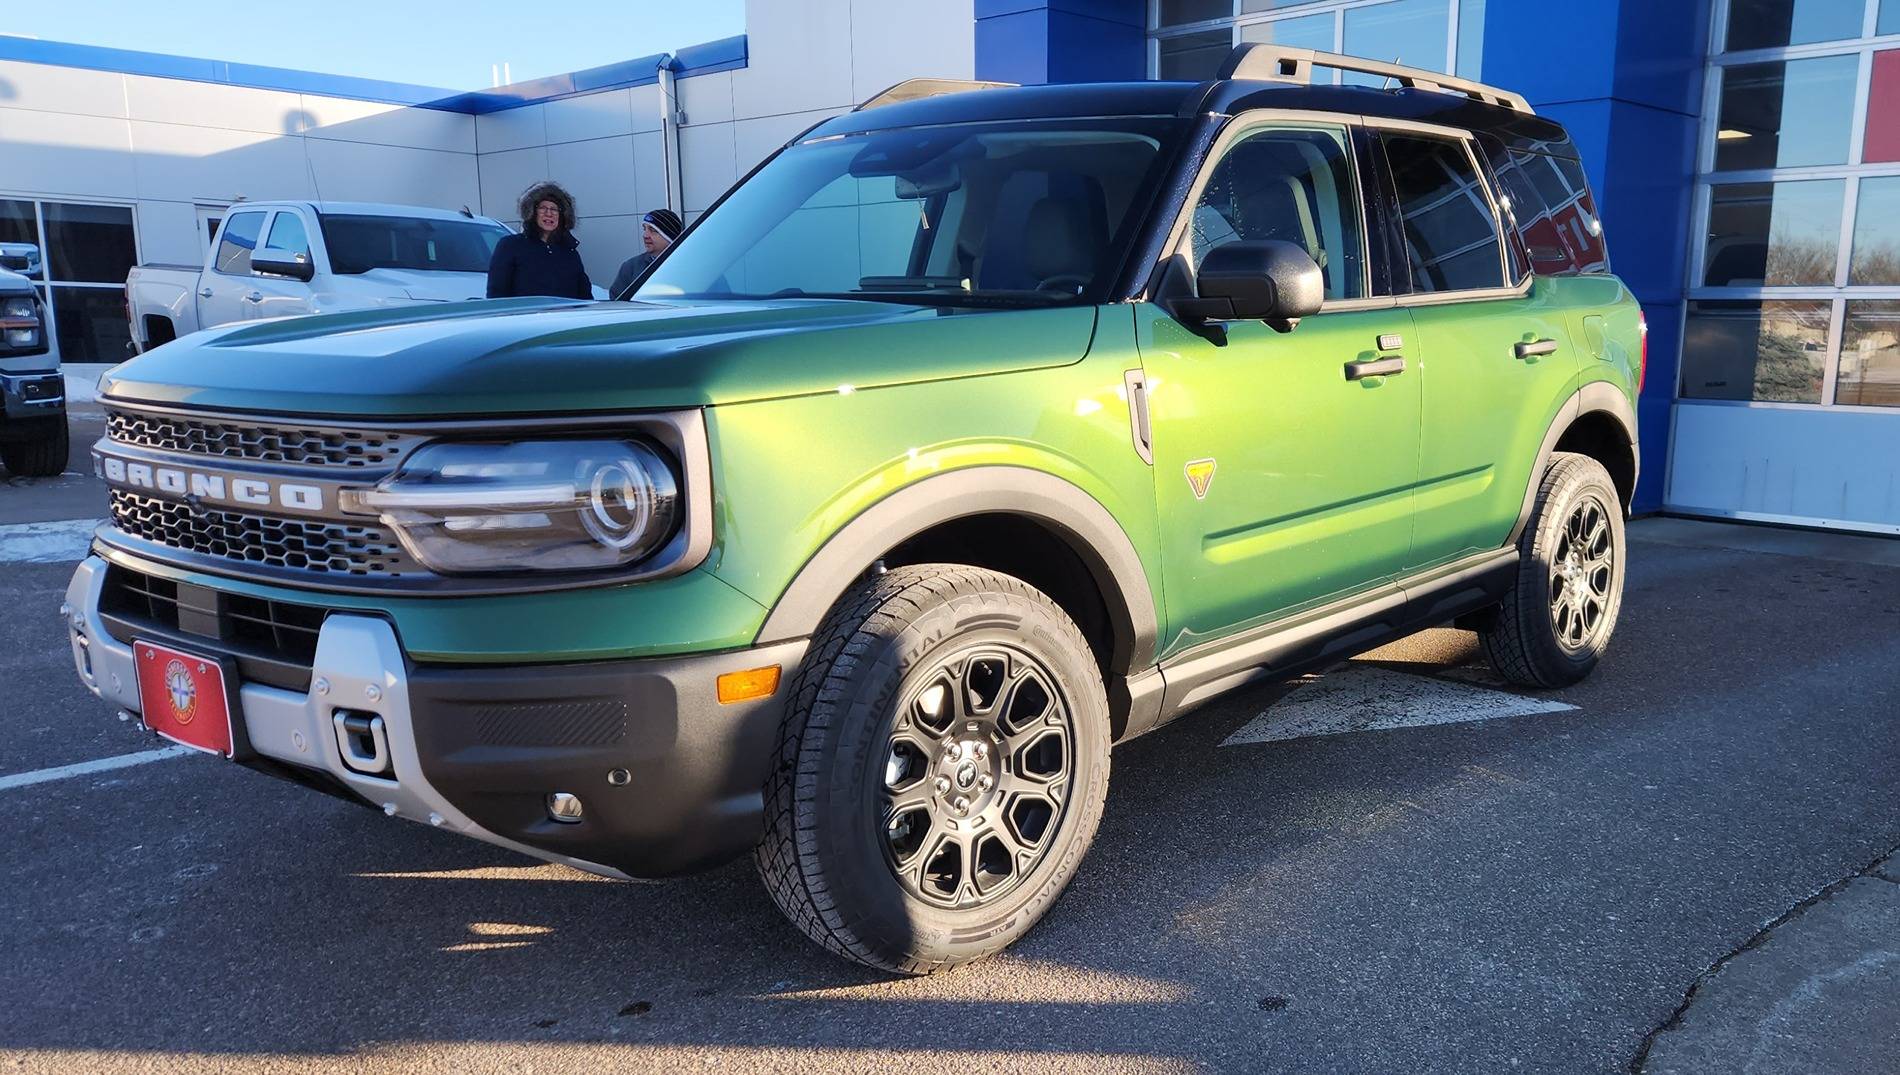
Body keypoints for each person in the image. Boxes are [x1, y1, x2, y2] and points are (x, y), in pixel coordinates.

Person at [486, 182, 593, 299]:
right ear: (532, 212)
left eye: (554, 209)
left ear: (562, 215)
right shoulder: (511, 246)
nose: (549, 213)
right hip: (525, 311)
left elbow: (585, 297)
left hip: (565, 311)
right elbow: (497, 295)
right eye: (543, 208)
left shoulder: (570, 252)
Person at [610, 208, 684, 299]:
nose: (645, 235)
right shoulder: (631, 267)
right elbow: (617, 301)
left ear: (669, 236)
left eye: (653, 230)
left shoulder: (689, 266)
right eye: (644, 229)